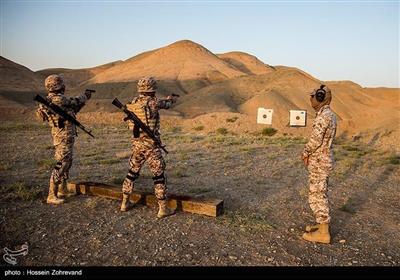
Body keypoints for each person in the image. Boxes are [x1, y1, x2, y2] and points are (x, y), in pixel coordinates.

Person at [120, 76, 178, 218]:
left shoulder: (132, 103)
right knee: (158, 176)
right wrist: (171, 99)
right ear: (152, 89)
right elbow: (168, 104)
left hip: (137, 146)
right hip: (151, 146)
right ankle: (163, 209)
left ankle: (124, 202)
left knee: (132, 173)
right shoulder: (153, 103)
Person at [36, 74, 92, 204]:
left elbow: (73, 109)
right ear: (59, 85)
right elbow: (75, 102)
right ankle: (52, 194)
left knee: (67, 161)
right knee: (62, 163)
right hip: (63, 136)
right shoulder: (57, 100)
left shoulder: (48, 101)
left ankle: (62, 188)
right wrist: (85, 96)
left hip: (62, 135)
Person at [301, 84, 337, 244]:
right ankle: (321, 225)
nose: (310, 99)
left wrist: (305, 152)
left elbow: (315, 140)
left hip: (319, 161)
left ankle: (323, 232)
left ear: (320, 97)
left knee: (316, 194)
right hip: (323, 159)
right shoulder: (328, 114)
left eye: (313, 96)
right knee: (320, 191)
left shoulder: (324, 116)